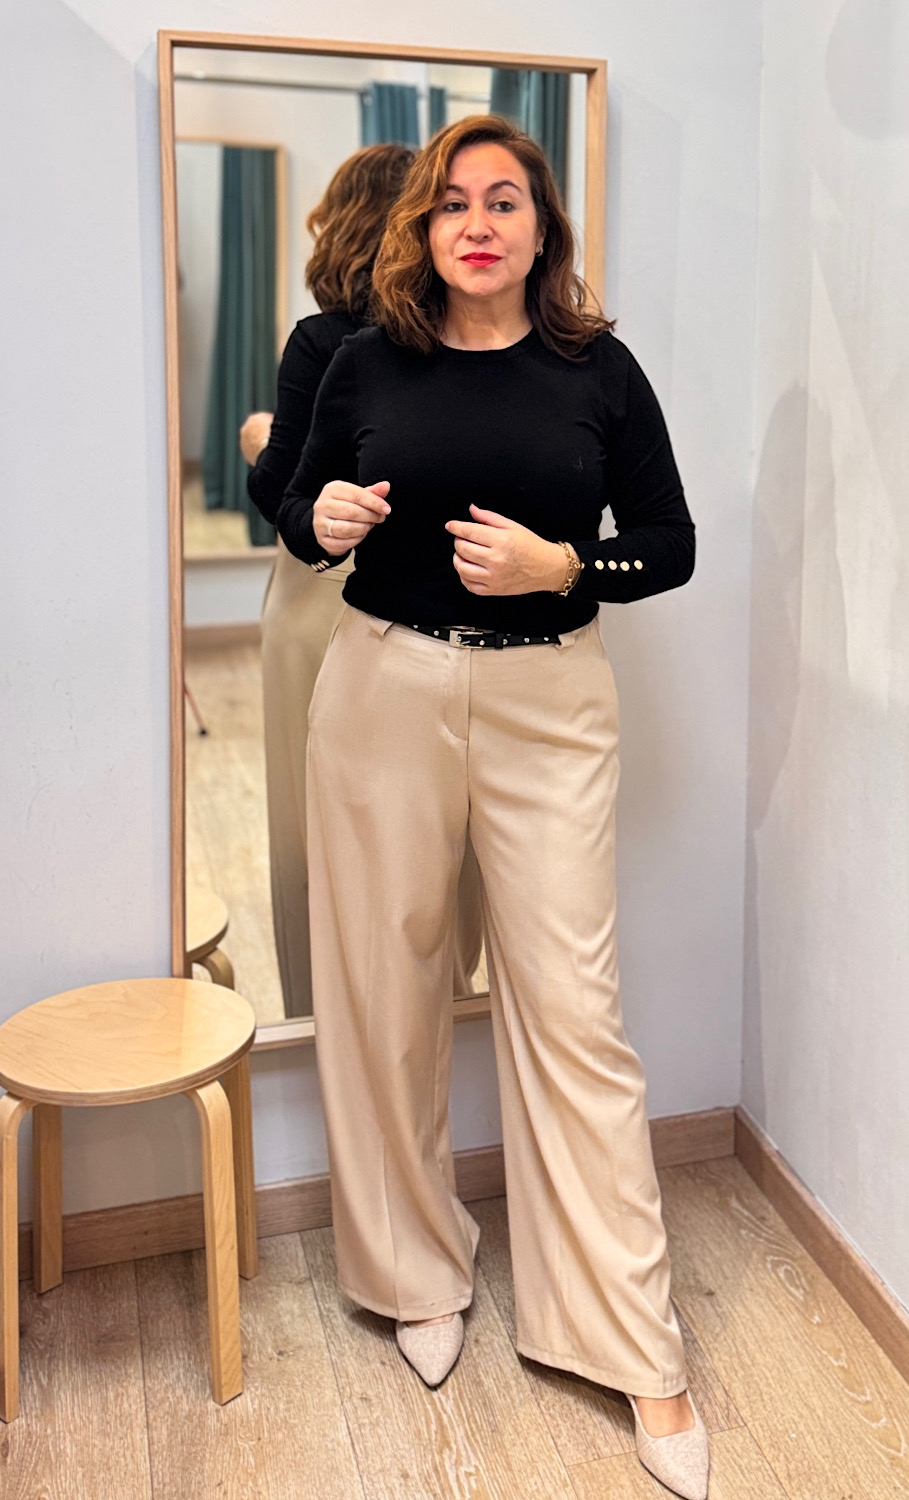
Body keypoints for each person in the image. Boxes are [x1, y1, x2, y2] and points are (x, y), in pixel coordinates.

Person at [277, 115, 708, 1500]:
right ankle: (415, 1274)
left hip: (548, 704)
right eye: (453, 201)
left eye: (505, 200)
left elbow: (669, 546)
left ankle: (630, 1339)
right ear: (423, 226)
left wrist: (562, 566)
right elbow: (296, 510)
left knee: (573, 1008)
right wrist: (322, 522)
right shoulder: (363, 359)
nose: (477, 222)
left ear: (541, 229)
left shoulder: (599, 370)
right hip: (382, 692)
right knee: (385, 985)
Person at [239, 142, 482, 1017]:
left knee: (319, 826)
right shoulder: (465, 346)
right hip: (415, 601)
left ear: (340, 223)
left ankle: (324, 1014)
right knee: (436, 824)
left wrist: (261, 439)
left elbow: (284, 491)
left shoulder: (324, 343)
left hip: (318, 604)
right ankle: (445, 1001)